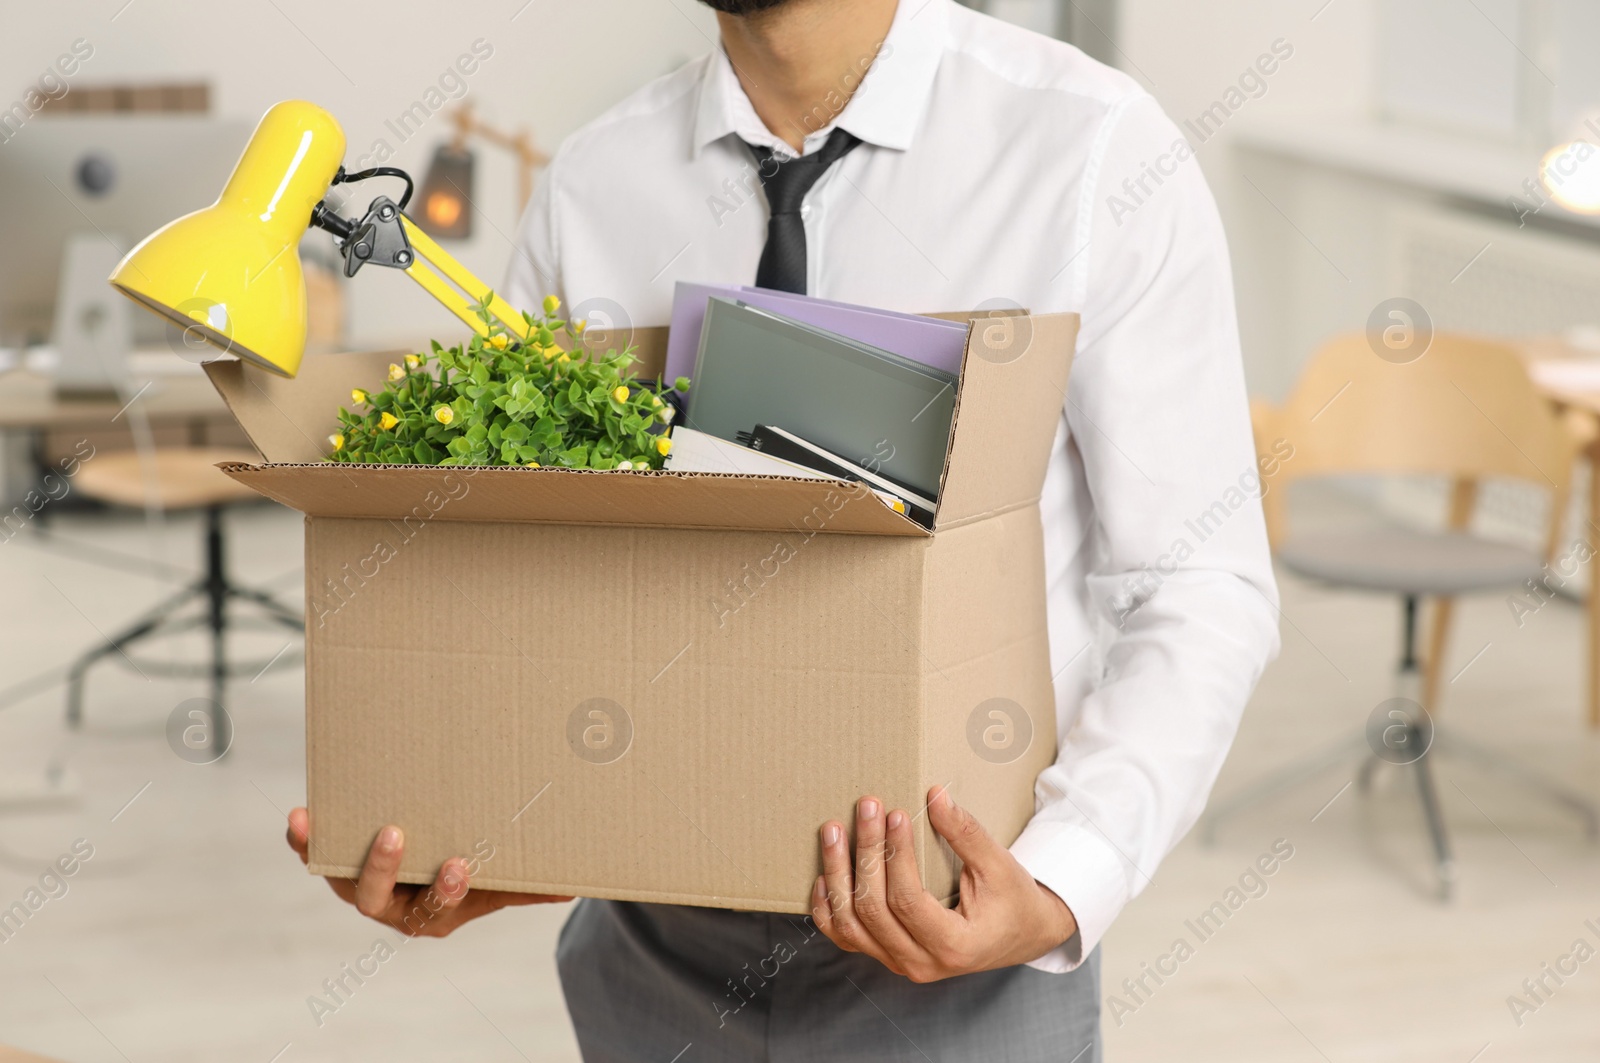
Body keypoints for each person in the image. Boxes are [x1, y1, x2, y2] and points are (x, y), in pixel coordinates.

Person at [286, 0, 1280, 1057]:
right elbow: (535, 569)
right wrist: (485, 836)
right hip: (647, 955)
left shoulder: (1086, 149)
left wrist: (1058, 881)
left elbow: (1198, 583)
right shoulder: (597, 181)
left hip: (956, 958)